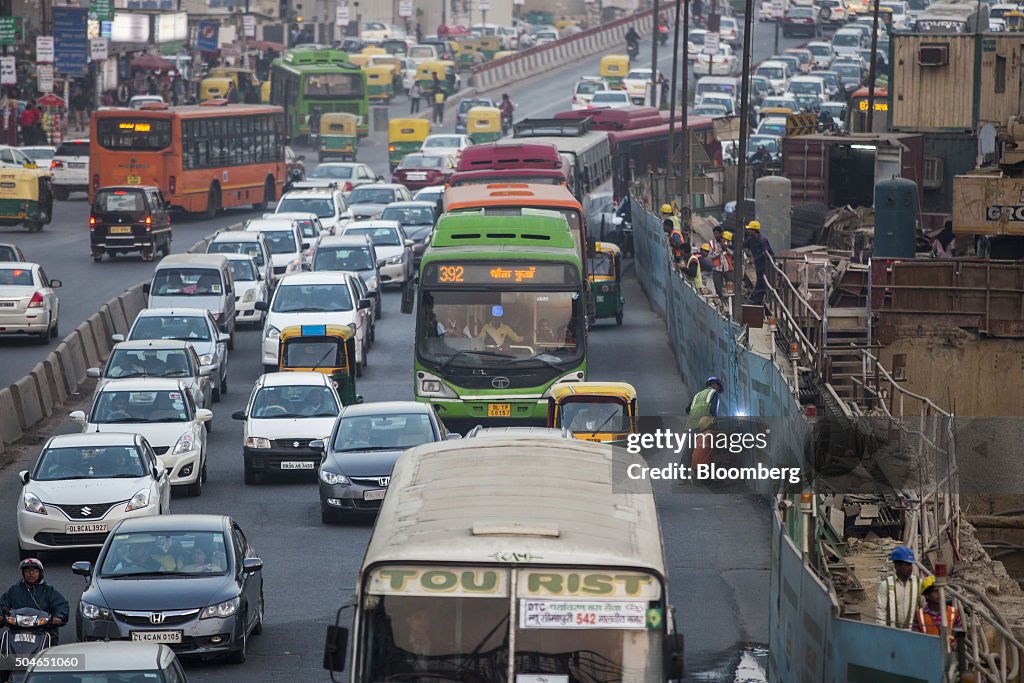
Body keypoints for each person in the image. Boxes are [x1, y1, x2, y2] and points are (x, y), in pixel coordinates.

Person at [0, 559, 69, 645]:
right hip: (17, 630)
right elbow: (2, 604)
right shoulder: (14, 590)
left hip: (43, 630)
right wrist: (1, 615)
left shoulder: (49, 591)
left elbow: (61, 605)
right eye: (27, 571)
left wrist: (59, 616)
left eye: (34, 571)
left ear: (40, 573)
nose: (31, 574)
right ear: (23, 573)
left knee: (52, 648)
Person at [875, 546, 922, 629]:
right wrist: (881, 633)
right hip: (892, 633)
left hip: (914, 633)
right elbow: (881, 612)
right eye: (906, 565)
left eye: (911, 564)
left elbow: (924, 610)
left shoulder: (918, 584)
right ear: (897, 565)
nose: (910, 568)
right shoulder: (886, 585)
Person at [744, 220, 775, 305]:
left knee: (762, 281)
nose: (748, 230)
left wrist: (754, 259)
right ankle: (756, 299)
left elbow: (765, 253)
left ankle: (758, 301)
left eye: (749, 229)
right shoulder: (751, 239)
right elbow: (743, 244)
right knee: (760, 281)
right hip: (759, 264)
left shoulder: (762, 240)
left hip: (766, 264)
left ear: (754, 230)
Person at [709, 226, 733, 302]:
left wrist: (726, 248)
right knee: (718, 288)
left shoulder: (727, 241)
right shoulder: (712, 243)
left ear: (721, 234)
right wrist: (720, 249)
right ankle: (722, 303)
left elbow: (733, 253)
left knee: (731, 288)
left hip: (727, 268)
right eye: (714, 234)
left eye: (717, 234)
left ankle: (731, 304)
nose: (715, 236)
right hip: (717, 269)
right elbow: (711, 255)